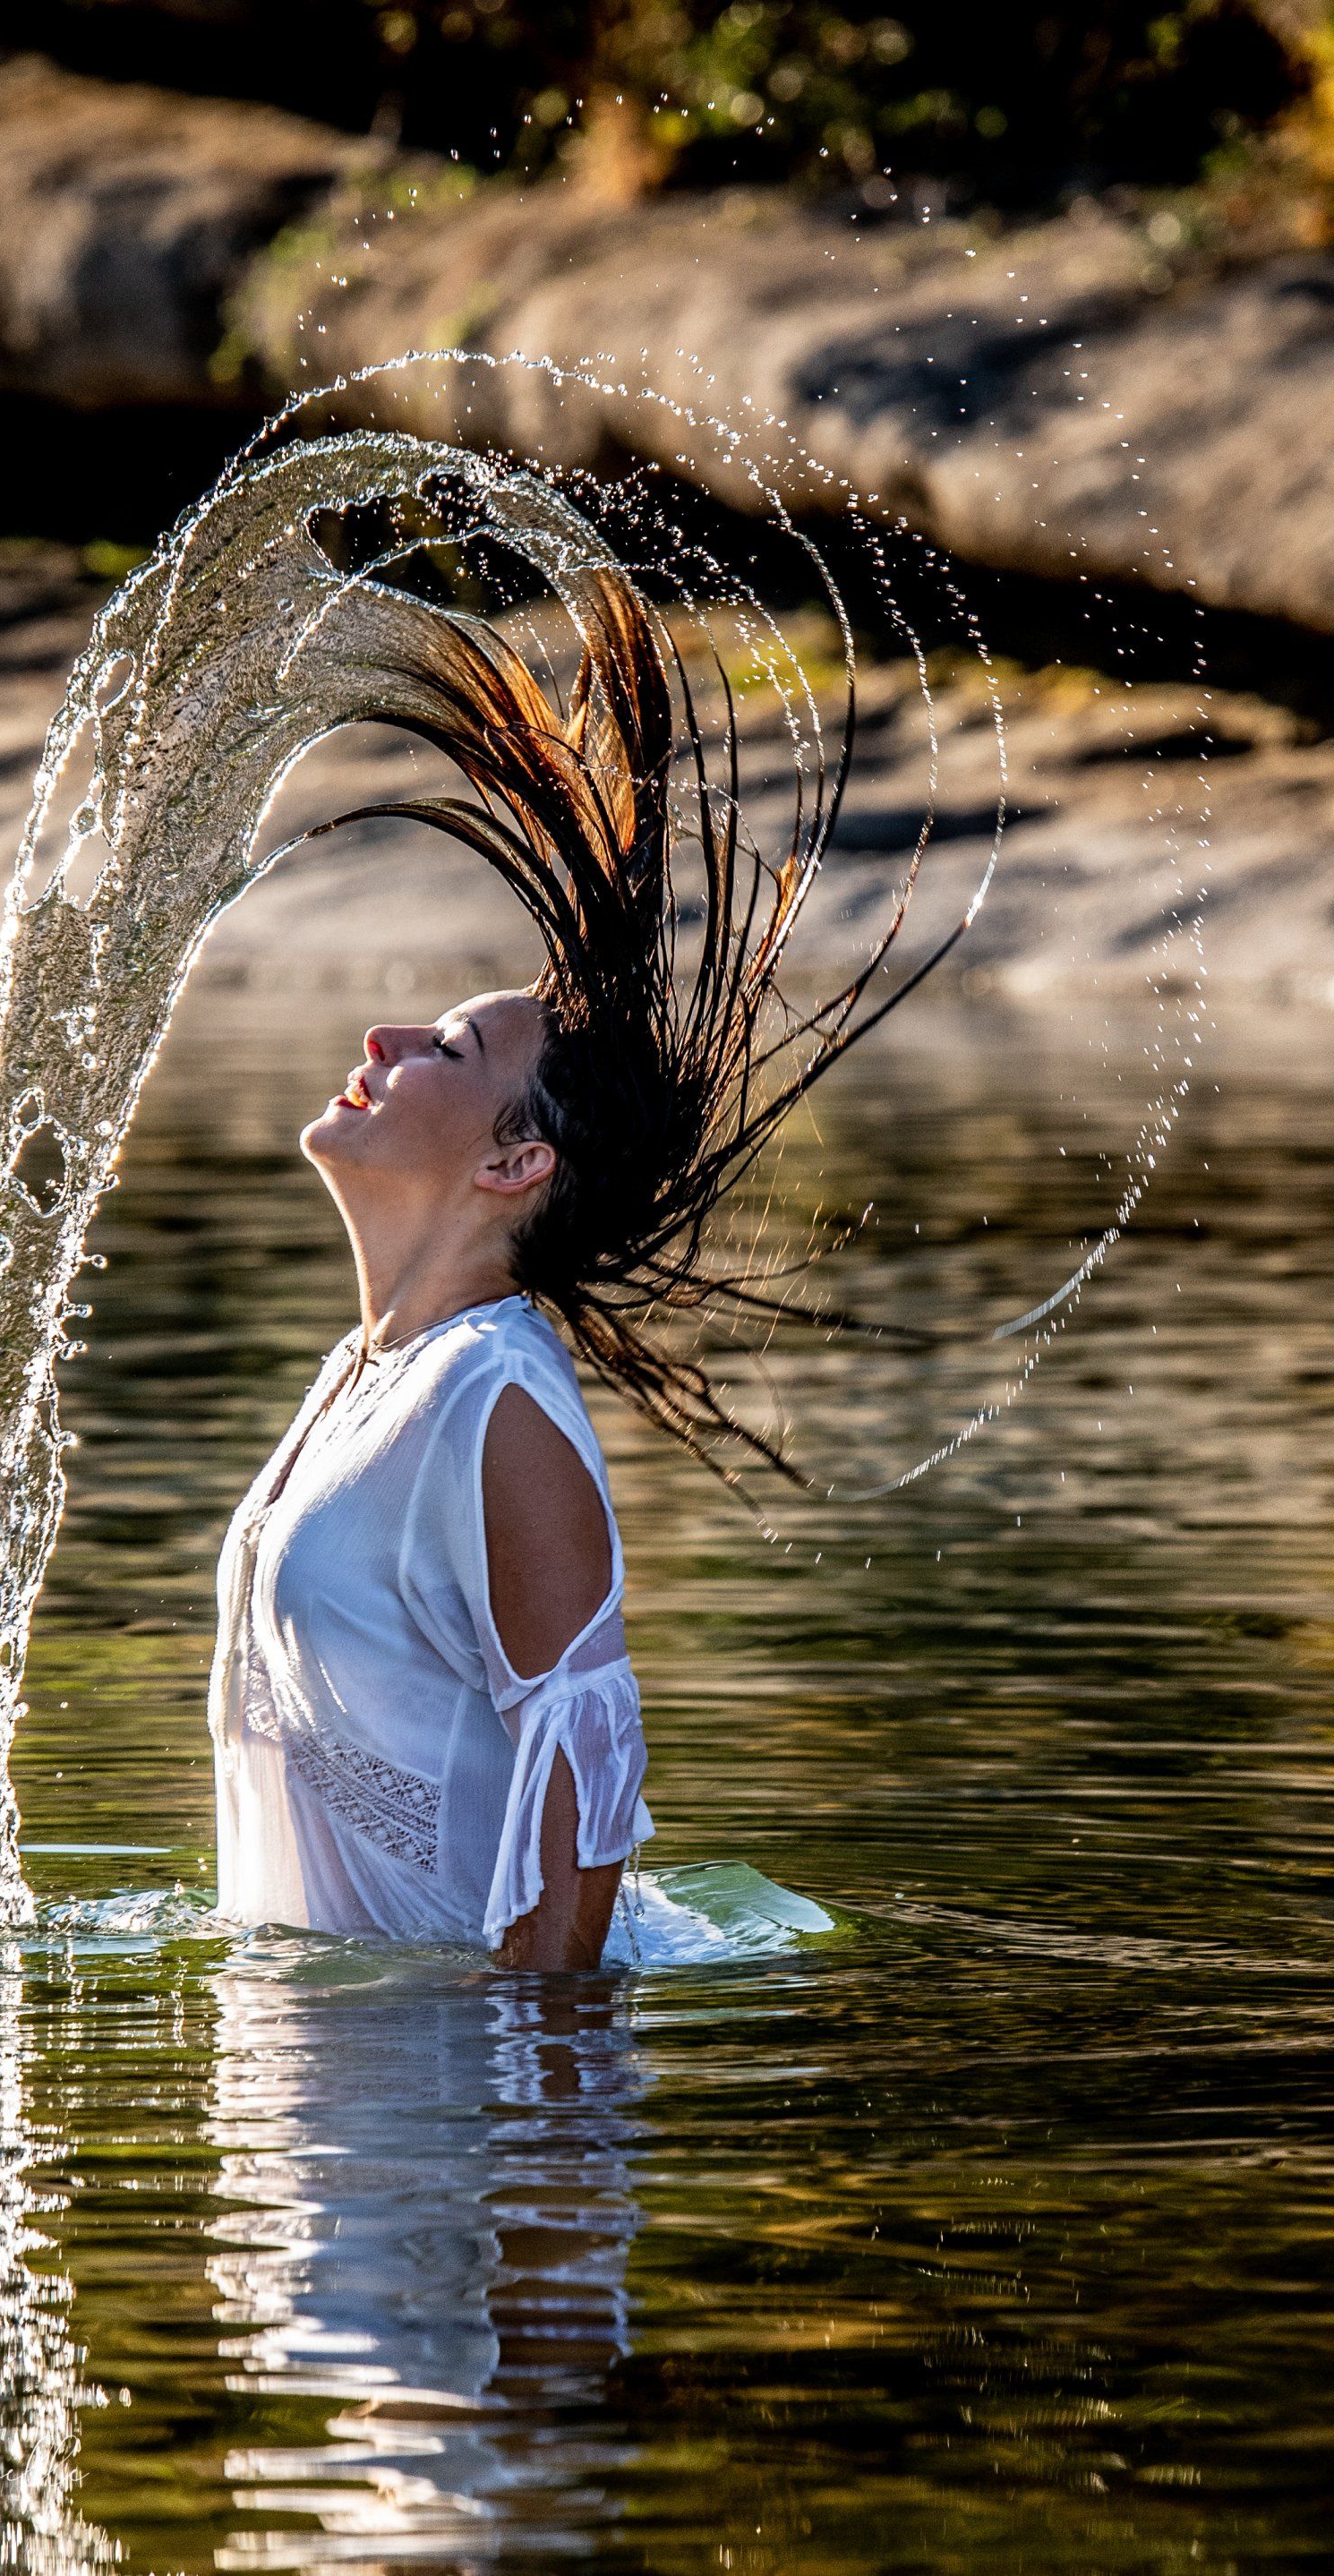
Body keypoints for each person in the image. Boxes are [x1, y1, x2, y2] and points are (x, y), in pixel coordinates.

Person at [206, 546, 928, 1969]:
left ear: (512, 1162)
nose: (384, 1042)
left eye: (450, 1048)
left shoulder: (497, 1407)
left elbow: (586, 1812)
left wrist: (547, 2165)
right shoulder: (370, 1374)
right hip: (327, 2118)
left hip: (446, 2127)